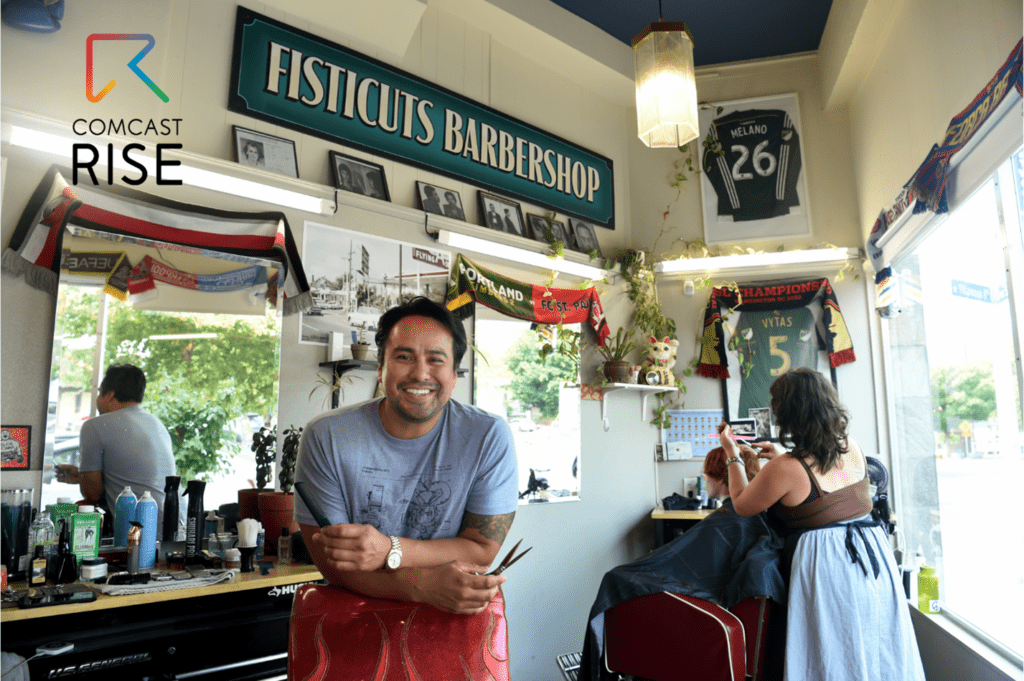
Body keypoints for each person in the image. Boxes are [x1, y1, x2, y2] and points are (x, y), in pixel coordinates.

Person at [294, 296, 519, 614]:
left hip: (452, 621)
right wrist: (419, 587)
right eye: (404, 356)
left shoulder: (487, 436)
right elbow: (334, 563)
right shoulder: (327, 437)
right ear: (381, 369)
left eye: (436, 360)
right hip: (353, 623)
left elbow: (480, 551)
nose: (420, 373)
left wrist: (388, 548)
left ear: (454, 375)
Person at [718, 367, 925, 681]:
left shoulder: (783, 469)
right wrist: (782, 457)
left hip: (831, 566)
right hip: (873, 560)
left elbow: (742, 503)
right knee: (877, 644)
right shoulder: (850, 446)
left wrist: (731, 455)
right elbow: (819, 475)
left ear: (787, 414)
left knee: (834, 650)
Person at [56, 364, 183, 534]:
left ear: (109, 395)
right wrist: (81, 476)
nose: (98, 399)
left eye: (100, 393)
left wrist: (85, 479)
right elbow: (138, 479)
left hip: (140, 536)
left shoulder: (95, 426)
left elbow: (92, 495)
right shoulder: (156, 424)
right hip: (178, 528)